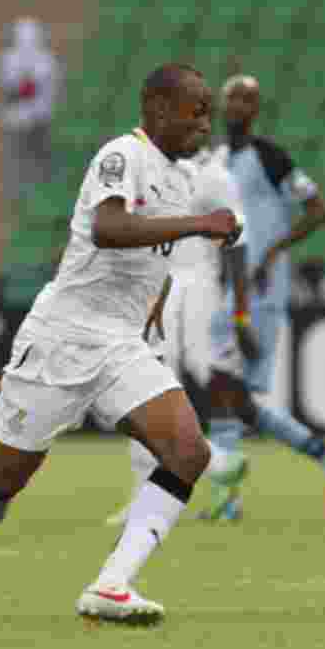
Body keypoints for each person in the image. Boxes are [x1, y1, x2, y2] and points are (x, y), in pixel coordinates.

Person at [0, 64, 239, 625]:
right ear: (157, 108)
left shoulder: (178, 180)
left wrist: (150, 318)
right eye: (195, 110)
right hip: (65, 335)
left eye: (208, 112)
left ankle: (111, 584)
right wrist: (200, 224)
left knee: (188, 451)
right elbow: (108, 229)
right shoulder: (122, 156)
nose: (206, 123)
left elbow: (152, 264)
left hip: (121, 344)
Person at [202, 74, 325, 521]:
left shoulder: (271, 158)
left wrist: (271, 253)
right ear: (221, 105)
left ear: (255, 110)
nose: (238, 106)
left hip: (263, 293)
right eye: (232, 97)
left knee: (228, 391)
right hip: (226, 287)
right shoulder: (212, 159)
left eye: (247, 99)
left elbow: (318, 210)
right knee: (232, 396)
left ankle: (227, 501)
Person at [103, 147, 254, 527]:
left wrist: (239, 310)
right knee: (142, 383)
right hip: (154, 284)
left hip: (200, 285)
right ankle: (145, 493)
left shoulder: (213, 175)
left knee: (212, 378)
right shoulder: (143, 166)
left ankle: (226, 488)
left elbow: (239, 239)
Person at [0, 17, 60, 202]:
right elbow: (12, 88)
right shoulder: (8, 59)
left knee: (37, 157)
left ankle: (39, 193)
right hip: (18, 117)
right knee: (19, 158)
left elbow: (31, 88)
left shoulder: (46, 60)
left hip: (39, 116)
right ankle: (20, 193)